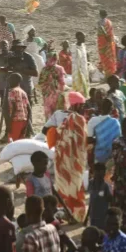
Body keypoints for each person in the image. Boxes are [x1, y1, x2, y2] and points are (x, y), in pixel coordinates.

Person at [53, 92, 88, 224]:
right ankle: (76, 215)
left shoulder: (66, 119)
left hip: (63, 160)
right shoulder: (79, 119)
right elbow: (81, 141)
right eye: (82, 105)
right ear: (77, 104)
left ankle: (67, 213)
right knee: (76, 187)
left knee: (66, 188)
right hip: (74, 160)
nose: (84, 107)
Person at [88, 98, 122, 169]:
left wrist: (99, 139)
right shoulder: (115, 122)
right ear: (112, 109)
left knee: (98, 176)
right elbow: (119, 140)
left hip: (98, 156)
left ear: (100, 107)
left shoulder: (92, 121)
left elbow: (89, 140)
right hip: (112, 157)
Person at [38, 53, 66, 119]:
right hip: (57, 92)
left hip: (47, 93)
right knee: (59, 110)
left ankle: (49, 126)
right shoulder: (60, 68)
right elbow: (62, 82)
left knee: (48, 110)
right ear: (56, 59)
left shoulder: (44, 69)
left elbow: (40, 82)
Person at [6, 73, 30, 142]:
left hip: (15, 121)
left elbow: (14, 108)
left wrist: (9, 124)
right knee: (20, 143)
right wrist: (27, 123)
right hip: (24, 121)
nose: (9, 82)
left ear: (15, 81)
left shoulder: (12, 92)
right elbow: (29, 109)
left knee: (12, 144)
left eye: (10, 80)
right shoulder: (23, 92)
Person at [97, 10, 117, 76]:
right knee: (109, 58)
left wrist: (105, 36)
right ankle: (111, 73)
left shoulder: (99, 22)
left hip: (102, 42)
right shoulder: (109, 22)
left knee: (104, 58)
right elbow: (110, 33)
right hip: (110, 42)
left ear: (100, 15)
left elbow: (103, 31)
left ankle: (107, 75)